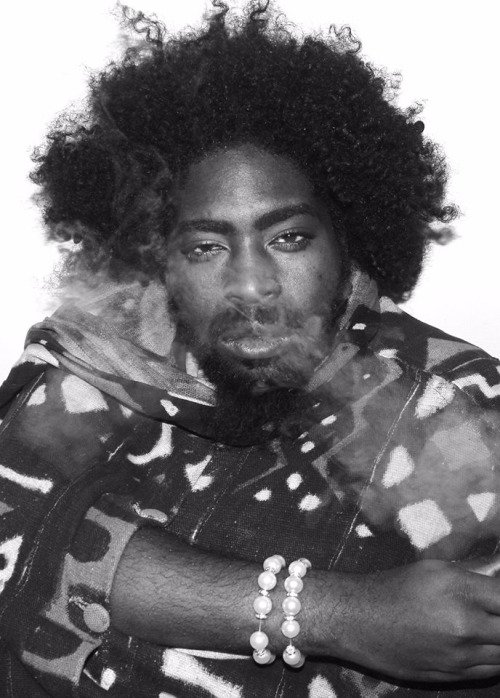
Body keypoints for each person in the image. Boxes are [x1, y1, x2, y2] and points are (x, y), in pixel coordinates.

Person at [0, 2, 499, 696]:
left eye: (288, 238)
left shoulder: (451, 402)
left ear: (348, 239)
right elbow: (15, 532)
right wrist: (329, 613)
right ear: (160, 259)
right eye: (206, 246)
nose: (250, 285)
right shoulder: (99, 363)